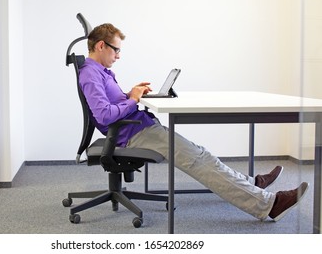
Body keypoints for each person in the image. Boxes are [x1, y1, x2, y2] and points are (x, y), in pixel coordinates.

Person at [78, 22, 309, 222]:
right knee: (197, 160)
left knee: (201, 154)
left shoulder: (102, 71)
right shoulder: (91, 73)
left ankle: (252, 184)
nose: (118, 56)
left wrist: (131, 94)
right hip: (132, 134)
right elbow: (104, 115)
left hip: (139, 127)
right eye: (116, 50)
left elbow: (109, 104)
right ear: (101, 46)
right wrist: (133, 100)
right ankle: (269, 205)